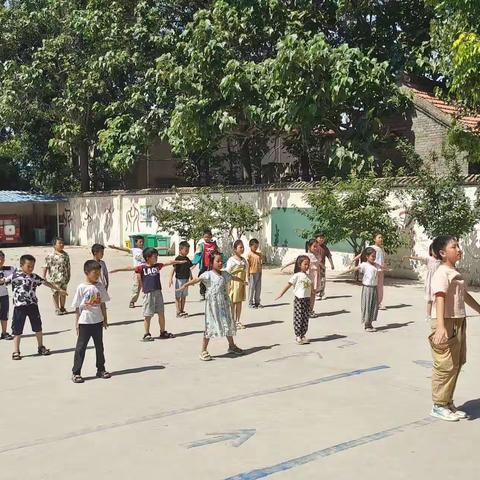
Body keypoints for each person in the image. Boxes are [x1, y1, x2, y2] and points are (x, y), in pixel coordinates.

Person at [428, 235, 480, 422]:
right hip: (446, 321)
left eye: (458, 246)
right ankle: (438, 405)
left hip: (458, 320)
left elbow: (464, 296)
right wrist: (441, 325)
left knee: (456, 363)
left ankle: (448, 402)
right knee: (445, 364)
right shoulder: (442, 272)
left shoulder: (454, 272)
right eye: (454, 246)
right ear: (443, 253)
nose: (458, 249)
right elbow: (439, 297)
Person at [177, 252, 246, 361]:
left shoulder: (224, 274)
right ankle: (203, 350)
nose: (220, 263)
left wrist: (242, 281)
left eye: (221, 261)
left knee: (227, 323)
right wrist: (185, 285)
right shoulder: (208, 274)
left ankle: (232, 346)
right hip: (213, 306)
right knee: (210, 326)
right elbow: (197, 280)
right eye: (217, 261)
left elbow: (233, 277)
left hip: (224, 304)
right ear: (211, 263)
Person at [110, 247, 186, 341]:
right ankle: (146, 333)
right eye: (154, 256)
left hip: (158, 292)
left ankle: (162, 332)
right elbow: (130, 268)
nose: (156, 258)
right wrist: (117, 270)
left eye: (157, 256)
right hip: (148, 294)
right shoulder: (142, 267)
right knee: (147, 315)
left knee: (161, 313)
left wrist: (179, 262)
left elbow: (169, 262)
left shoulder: (157, 266)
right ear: (147, 258)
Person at [0, 254, 66, 360]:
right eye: (28, 266)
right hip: (19, 307)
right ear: (21, 265)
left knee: (38, 327)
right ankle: (16, 351)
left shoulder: (34, 277)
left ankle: (41, 347)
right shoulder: (14, 276)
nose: (31, 268)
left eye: (32, 266)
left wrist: (59, 289)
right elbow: (3, 281)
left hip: (32, 306)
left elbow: (45, 283)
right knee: (17, 330)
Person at [71, 260, 110, 384]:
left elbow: (102, 303)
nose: (97, 275)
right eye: (95, 272)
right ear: (86, 272)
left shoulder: (100, 286)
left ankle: (101, 369)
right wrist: (76, 323)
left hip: (97, 321)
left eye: (99, 272)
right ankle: (76, 372)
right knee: (81, 347)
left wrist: (105, 318)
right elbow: (77, 307)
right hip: (85, 322)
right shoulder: (81, 287)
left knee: (99, 346)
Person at [276, 255, 312, 345]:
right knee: (298, 317)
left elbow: (311, 288)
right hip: (299, 300)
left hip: (307, 299)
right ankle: (298, 336)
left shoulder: (308, 276)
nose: (307, 266)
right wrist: (281, 293)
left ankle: (303, 335)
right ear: (300, 265)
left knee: (305, 318)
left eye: (308, 264)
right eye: (305, 264)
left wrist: (315, 292)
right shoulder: (297, 275)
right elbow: (288, 285)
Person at [281, 240, 320, 317]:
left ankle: (310, 310)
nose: (316, 248)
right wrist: (285, 265)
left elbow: (319, 265)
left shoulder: (317, 255)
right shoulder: (305, 255)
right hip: (308, 277)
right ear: (309, 247)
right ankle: (306, 310)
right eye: (314, 246)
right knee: (307, 294)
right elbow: (296, 260)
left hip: (315, 277)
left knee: (313, 294)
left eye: (317, 247)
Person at [347, 247, 381, 332]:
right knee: (367, 305)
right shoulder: (364, 265)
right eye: (372, 256)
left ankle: (370, 323)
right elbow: (357, 268)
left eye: (375, 256)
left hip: (374, 287)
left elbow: (381, 268)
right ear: (367, 256)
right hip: (367, 288)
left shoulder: (376, 265)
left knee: (373, 306)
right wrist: (351, 268)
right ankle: (367, 325)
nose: (374, 258)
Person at [403, 244, 440, 321]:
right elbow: (419, 258)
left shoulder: (441, 261)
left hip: (438, 281)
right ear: (431, 251)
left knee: (438, 298)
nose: (435, 252)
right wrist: (409, 257)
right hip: (430, 282)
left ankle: (437, 314)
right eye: (433, 250)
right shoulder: (429, 259)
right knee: (430, 299)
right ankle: (428, 315)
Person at [352, 233, 386, 309]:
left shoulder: (382, 249)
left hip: (380, 270)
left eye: (381, 238)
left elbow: (382, 260)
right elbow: (362, 254)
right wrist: (354, 259)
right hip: (373, 270)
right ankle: (372, 303)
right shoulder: (371, 247)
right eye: (379, 237)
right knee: (372, 286)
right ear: (374, 239)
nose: (381, 239)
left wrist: (384, 267)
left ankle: (379, 303)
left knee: (380, 287)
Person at [109, 236, 145, 308]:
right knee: (137, 287)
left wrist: (164, 248)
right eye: (140, 242)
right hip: (137, 272)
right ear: (136, 243)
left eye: (142, 242)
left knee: (147, 286)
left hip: (145, 271)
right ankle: (132, 301)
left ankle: (147, 301)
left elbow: (154, 249)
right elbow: (125, 249)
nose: (141, 243)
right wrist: (115, 247)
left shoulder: (145, 250)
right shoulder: (134, 250)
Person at [43, 237, 71, 315]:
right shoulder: (50, 255)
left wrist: (68, 275)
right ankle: (57, 308)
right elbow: (46, 266)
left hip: (64, 278)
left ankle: (62, 307)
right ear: (54, 245)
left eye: (63, 243)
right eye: (59, 243)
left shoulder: (65, 255)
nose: (62, 245)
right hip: (54, 278)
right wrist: (44, 276)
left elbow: (68, 266)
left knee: (63, 293)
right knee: (55, 293)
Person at [226, 240, 248, 329]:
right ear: (235, 249)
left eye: (243, 247)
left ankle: (238, 321)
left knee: (239, 303)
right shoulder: (231, 260)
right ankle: (232, 321)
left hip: (241, 285)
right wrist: (228, 285)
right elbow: (228, 272)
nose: (242, 249)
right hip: (233, 284)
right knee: (232, 303)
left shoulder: (243, 260)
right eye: (240, 247)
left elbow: (245, 271)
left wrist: (245, 281)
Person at [192, 229, 219, 301]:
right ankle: (202, 293)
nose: (206, 238)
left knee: (212, 280)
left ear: (211, 237)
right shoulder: (202, 245)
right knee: (202, 279)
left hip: (212, 266)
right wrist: (194, 264)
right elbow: (198, 254)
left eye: (208, 237)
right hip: (204, 266)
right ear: (203, 237)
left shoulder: (214, 245)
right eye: (205, 237)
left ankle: (211, 293)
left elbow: (218, 254)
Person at [168, 241, 193, 317]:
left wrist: (191, 277)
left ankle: (182, 309)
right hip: (179, 280)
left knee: (184, 296)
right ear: (180, 250)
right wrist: (170, 278)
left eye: (188, 250)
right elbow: (173, 269)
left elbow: (189, 269)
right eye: (186, 250)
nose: (187, 252)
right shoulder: (178, 259)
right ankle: (178, 311)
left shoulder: (187, 259)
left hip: (186, 280)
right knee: (178, 296)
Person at [0, 251, 15, 340]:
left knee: (4, 314)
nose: (0, 261)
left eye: (2, 259)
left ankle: (4, 332)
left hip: (4, 295)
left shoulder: (10, 269)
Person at [315, 233, 335, 300]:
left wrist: (332, 264)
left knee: (323, 280)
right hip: (315, 267)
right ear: (316, 238)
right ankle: (316, 294)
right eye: (320, 238)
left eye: (323, 238)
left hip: (322, 267)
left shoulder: (325, 247)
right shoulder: (314, 246)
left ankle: (321, 293)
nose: (321, 239)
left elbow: (329, 256)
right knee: (316, 280)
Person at [247, 238, 263, 309]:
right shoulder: (249, 255)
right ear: (250, 246)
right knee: (251, 288)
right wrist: (247, 274)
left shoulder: (259, 254)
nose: (256, 248)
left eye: (257, 246)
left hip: (259, 273)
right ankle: (250, 303)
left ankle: (257, 302)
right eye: (254, 247)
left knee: (258, 288)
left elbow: (261, 263)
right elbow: (248, 265)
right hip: (252, 273)